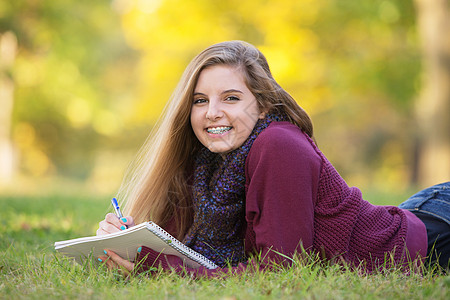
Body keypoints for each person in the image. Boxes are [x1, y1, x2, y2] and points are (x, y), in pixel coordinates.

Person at [96, 40, 449, 277]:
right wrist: (124, 239)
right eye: (200, 100)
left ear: (264, 104)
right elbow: (179, 245)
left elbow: (280, 270)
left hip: (433, 235)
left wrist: (151, 265)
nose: (212, 113)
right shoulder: (207, 162)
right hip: (416, 211)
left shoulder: (278, 145)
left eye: (231, 98)